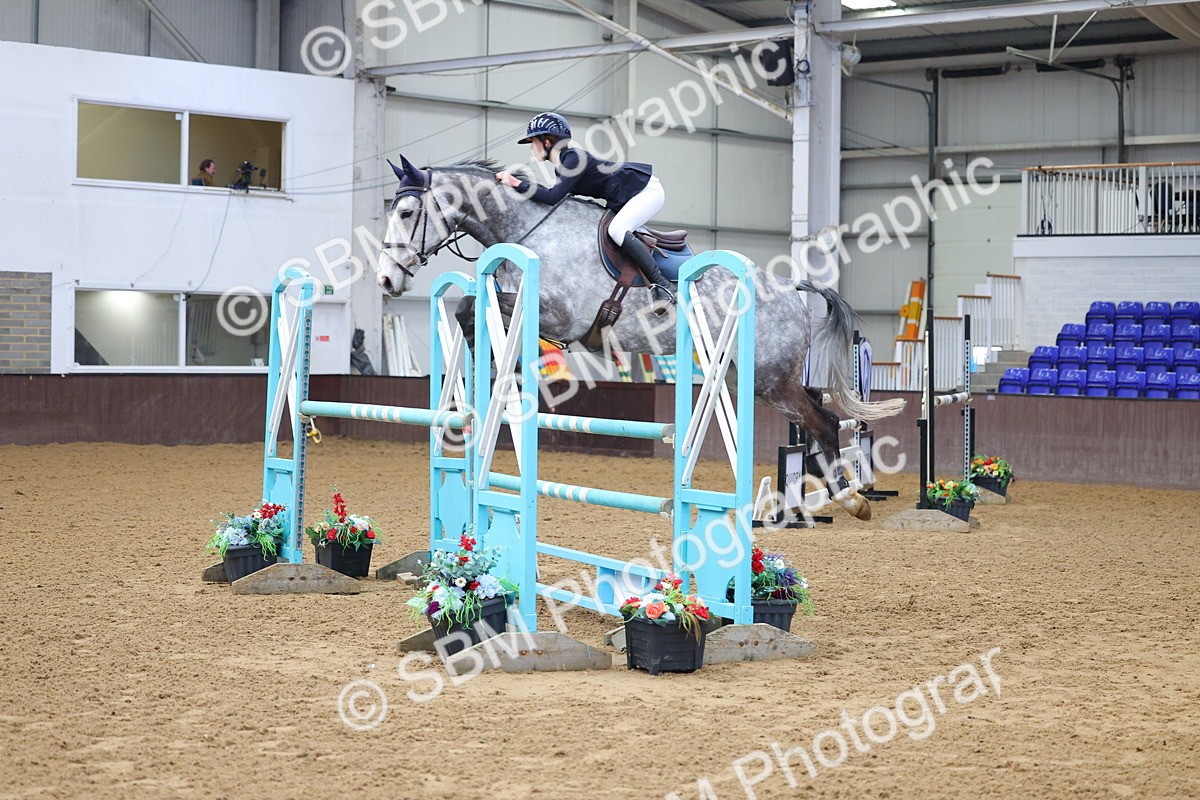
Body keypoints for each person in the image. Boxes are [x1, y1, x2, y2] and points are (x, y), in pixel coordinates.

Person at [495, 113, 674, 310]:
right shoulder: (564, 167)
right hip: (626, 196)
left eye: (533, 142)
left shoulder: (573, 158)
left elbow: (552, 197)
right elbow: (557, 201)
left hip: (646, 190)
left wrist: (516, 182)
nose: (531, 148)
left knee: (617, 229)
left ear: (547, 142)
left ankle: (662, 285)